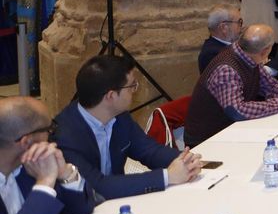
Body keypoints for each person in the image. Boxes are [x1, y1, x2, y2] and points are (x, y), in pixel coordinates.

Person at [55, 55, 202, 198]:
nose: (134, 91)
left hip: (119, 203)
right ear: (111, 96)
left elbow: (149, 150)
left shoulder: (119, 116)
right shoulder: (64, 135)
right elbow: (98, 186)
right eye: (131, 86)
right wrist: (167, 176)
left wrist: (185, 160)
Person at [0, 97, 94, 214]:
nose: (52, 137)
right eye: (49, 130)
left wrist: (64, 173)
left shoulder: (29, 164)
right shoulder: (37, 170)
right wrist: (44, 183)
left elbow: (81, 210)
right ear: (26, 141)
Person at [184, 24, 278, 146]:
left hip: (231, 129)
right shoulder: (226, 70)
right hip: (207, 139)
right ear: (265, 51)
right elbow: (238, 111)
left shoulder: (248, 56)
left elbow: (270, 85)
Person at [199, 4, 242, 73]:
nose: (241, 27)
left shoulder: (224, 46)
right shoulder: (213, 54)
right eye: (239, 22)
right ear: (224, 27)